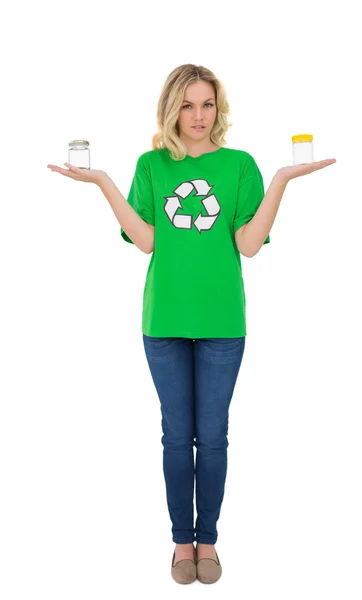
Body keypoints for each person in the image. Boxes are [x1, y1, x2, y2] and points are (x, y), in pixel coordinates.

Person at [47, 64, 336, 585]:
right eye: (187, 104)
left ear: (217, 109)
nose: (198, 116)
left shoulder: (239, 165)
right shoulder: (152, 165)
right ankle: (183, 543)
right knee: (177, 437)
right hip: (165, 321)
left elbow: (248, 245)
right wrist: (103, 183)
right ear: (171, 108)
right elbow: (146, 240)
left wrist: (280, 182)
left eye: (207, 104)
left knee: (215, 436)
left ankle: (211, 541)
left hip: (224, 322)